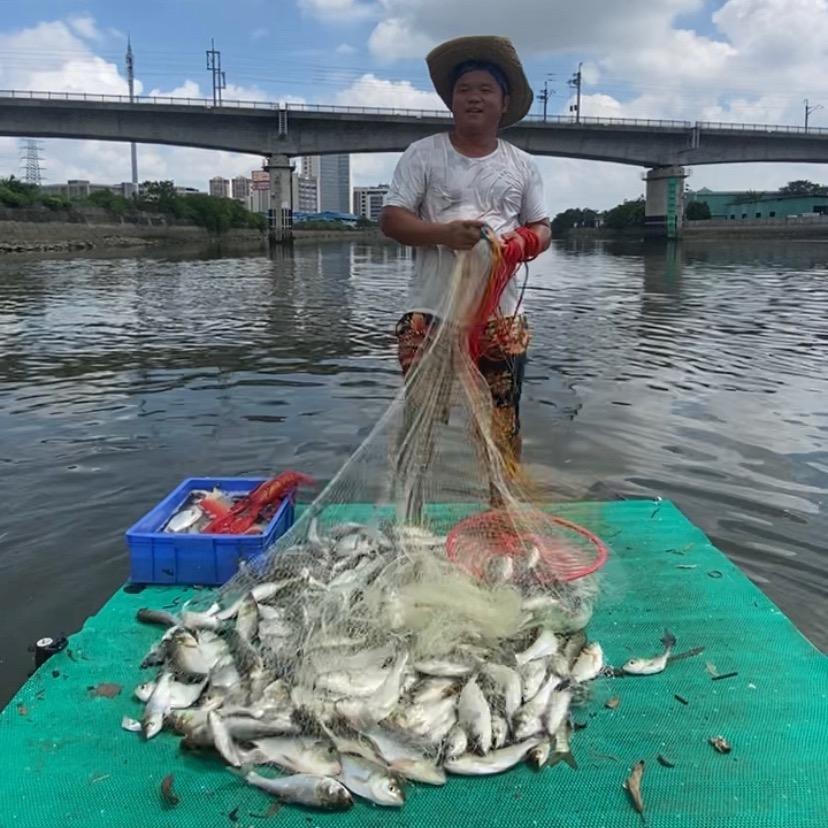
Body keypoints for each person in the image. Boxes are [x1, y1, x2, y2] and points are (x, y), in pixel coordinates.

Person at [379, 35, 551, 492]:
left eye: (485, 90)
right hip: (430, 316)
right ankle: (408, 515)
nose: (473, 97)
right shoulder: (423, 154)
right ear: (451, 100)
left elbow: (543, 228)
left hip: (501, 319)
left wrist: (521, 244)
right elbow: (392, 220)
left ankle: (501, 516)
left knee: (503, 425)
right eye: (464, 89)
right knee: (421, 421)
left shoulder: (523, 166)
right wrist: (443, 234)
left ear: (504, 102)